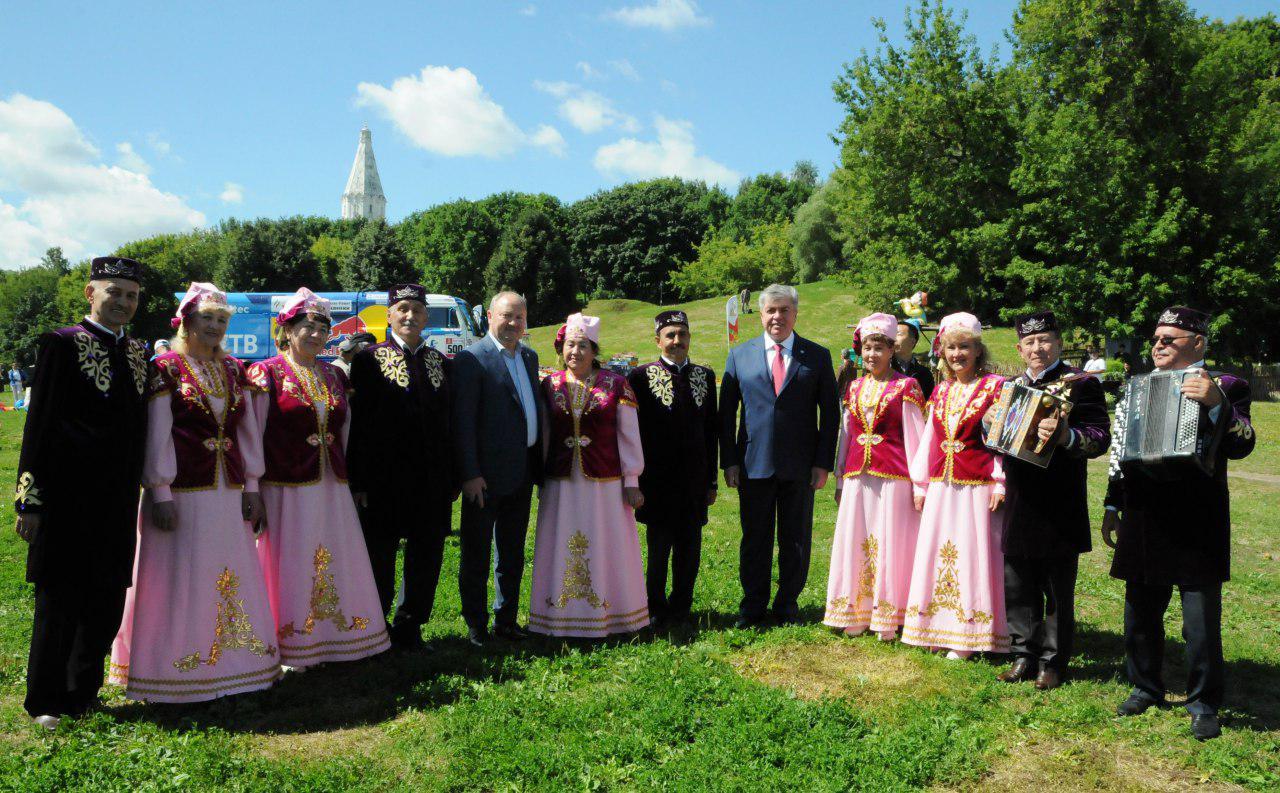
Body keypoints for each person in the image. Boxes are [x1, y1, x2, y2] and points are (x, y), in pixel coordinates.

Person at [110, 283, 280, 702]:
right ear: (186, 320)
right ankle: (174, 667)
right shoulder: (165, 367)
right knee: (182, 571)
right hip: (182, 490)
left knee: (226, 568)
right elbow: (157, 432)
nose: (215, 326)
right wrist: (161, 491)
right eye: (207, 318)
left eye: (222, 320)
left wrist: (253, 484)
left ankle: (235, 662)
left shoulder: (234, 370)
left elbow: (247, 432)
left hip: (228, 491)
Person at [1103, 306, 1255, 741]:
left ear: (1198, 344)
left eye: (1170, 339)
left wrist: (1215, 404)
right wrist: (1114, 505)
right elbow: (1122, 453)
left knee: (1199, 617)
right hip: (1145, 511)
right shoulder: (1135, 388)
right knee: (1140, 610)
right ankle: (1144, 685)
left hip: (1197, 513)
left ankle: (1204, 702)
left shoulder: (1228, 386)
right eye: (1156, 338)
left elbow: (1243, 445)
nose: (1158, 345)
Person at [14, 256, 149, 730]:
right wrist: (30, 499)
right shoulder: (61, 344)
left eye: (131, 295)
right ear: (91, 293)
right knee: (61, 600)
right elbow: (40, 424)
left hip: (118, 498)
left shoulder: (137, 353)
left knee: (107, 596)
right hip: (68, 497)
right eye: (115, 292)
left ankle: (83, 692)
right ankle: (47, 700)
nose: (123, 303)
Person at [246, 288, 390, 668]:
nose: (314, 334)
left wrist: (348, 476)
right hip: (285, 488)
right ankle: (292, 643)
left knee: (333, 554)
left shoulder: (333, 374)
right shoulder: (266, 373)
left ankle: (334, 636)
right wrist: (253, 487)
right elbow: (252, 433)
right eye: (306, 327)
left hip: (331, 485)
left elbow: (346, 430)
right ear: (287, 330)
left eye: (321, 327)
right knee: (294, 559)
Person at [996, 312, 1109, 690]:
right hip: (1019, 496)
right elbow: (992, 437)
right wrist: (989, 424)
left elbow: (1099, 437)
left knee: (1057, 587)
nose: (1037, 348)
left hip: (1059, 498)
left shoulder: (1082, 383)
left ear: (1059, 343)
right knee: (1018, 582)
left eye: (1044, 340)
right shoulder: (1010, 385)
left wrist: (1066, 437)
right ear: (1019, 348)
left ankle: (1053, 661)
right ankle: (1022, 655)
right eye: (1029, 342)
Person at [719, 284, 839, 628]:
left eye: (784, 310)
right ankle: (753, 605)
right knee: (754, 538)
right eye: (771, 310)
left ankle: (787, 604)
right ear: (760, 314)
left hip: (800, 466)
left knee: (796, 539)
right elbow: (726, 416)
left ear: (795, 313)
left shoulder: (816, 355)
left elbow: (830, 415)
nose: (777, 316)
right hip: (752, 465)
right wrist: (728, 461)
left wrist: (822, 463)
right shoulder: (739, 355)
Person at [528, 313, 648, 637]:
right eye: (570, 345)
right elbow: (545, 434)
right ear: (561, 348)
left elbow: (629, 436)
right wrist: (540, 476)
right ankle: (559, 616)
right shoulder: (550, 385)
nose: (575, 352)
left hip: (605, 485)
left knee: (606, 544)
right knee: (559, 542)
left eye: (583, 346)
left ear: (594, 350)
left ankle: (614, 615)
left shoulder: (616, 384)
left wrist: (632, 480)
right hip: (561, 483)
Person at [348, 285, 454, 650]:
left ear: (426, 317)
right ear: (389, 314)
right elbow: (358, 426)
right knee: (380, 555)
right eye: (403, 309)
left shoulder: (439, 362)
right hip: (383, 480)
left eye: (417, 311)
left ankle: (410, 625)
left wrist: (450, 475)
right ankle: (376, 630)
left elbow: (448, 422)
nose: (410, 316)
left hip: (431, 480)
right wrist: (359, 480)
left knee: (427, 553)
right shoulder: (367, 360)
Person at [902, 312, 1008, 659]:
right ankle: (938, 627)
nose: (957, 354)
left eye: (964, 347)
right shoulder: (942, 390)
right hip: (942, 485)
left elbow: (1001, 440)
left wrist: (1000, 481)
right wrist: (920, 484)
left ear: (978, 350)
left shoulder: (995, 387)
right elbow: (930, 438)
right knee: (940, 552)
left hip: (976, 484)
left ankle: (969, 634)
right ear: (942, 352)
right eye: (951, 348)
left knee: (971, 555)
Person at [824, 312, 926, 640]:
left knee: (889, 542)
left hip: (893, 477)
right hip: (857, 475)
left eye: (879, 348)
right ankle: (856, 611)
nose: (872, 355)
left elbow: (916, 437)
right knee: (858, 540)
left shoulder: (906, 386)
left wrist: (919, 483)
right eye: (867, 348)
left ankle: (887, 615)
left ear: (891, 350)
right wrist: (840, 478)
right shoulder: (853, 388)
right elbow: (847, 435)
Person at [453, 292, 545, 647]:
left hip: (520, 473)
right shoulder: (471, 360)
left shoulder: (530, 356)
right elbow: (462, 422)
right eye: (507, 316)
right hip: (484, 478)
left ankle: (506, 619)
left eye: (520, 318)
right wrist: (470, 474)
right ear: (489, 316)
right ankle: (476, 625)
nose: (514, 323)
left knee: (511, 553)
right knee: (476, 553)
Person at [627, 310, 718, 626]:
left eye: (682, 335)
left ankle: (682, 606)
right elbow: (632, 432)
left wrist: (712, 482)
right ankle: (654, 607)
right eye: (670, 335)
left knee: (690, 549)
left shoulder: (705, 377)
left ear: (689, 338)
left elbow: (711, 432)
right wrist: (634, 480)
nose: (677, 341)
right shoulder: (639, 378)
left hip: (694, 480)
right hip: (657, 481)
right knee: (659, 548)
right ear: (658, 340)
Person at [893, 319, 935, 402]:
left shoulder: (924, 374)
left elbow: (928, 404)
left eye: (898, 334)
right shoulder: (884, 368)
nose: (893, 339)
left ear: (912, 342)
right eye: (892, 334)